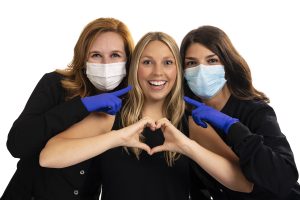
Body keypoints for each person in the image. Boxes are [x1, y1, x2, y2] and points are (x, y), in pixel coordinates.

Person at [39, 31, 253, 200]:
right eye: (147, 62)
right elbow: (48, 157)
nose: (157, 72)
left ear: (178, 70)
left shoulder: (190, 123)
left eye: (168, 63)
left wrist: (188, 146)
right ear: (135, 68)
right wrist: (117, 138)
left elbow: (244, 183)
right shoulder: (111, 117)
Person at [1, 17, 134, 199]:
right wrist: (83, 105)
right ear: (83, 57)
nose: (105, 65)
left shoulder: (130, 107)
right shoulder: (55, 84)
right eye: (96, 55)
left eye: (115, 55)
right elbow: (17, 145)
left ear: (128, 60)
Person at [180, 25, 300, 199]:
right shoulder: (188, 120)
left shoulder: (256, 111)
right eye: (192, 63)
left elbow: (284, 178)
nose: (201, 70)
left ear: (227, 64)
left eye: (212, 61)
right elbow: (198, 186)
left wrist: (231, 126)